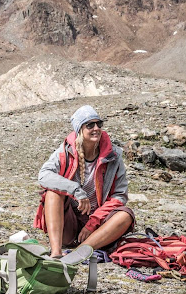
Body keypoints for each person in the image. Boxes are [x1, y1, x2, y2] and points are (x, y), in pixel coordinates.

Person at [34, 105, 134, 257]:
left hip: (99, 224)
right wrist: (76, 190)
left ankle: (81, 252)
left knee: (126, 215)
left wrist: (93, 223)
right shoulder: (65, 151)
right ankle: (56, 252)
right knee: (52, 193)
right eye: (90, 125)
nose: (96, 128)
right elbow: (44, 175)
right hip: (69, 221)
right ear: (79, 129)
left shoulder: (113, 156)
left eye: (99, 124)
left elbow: (120, 196)